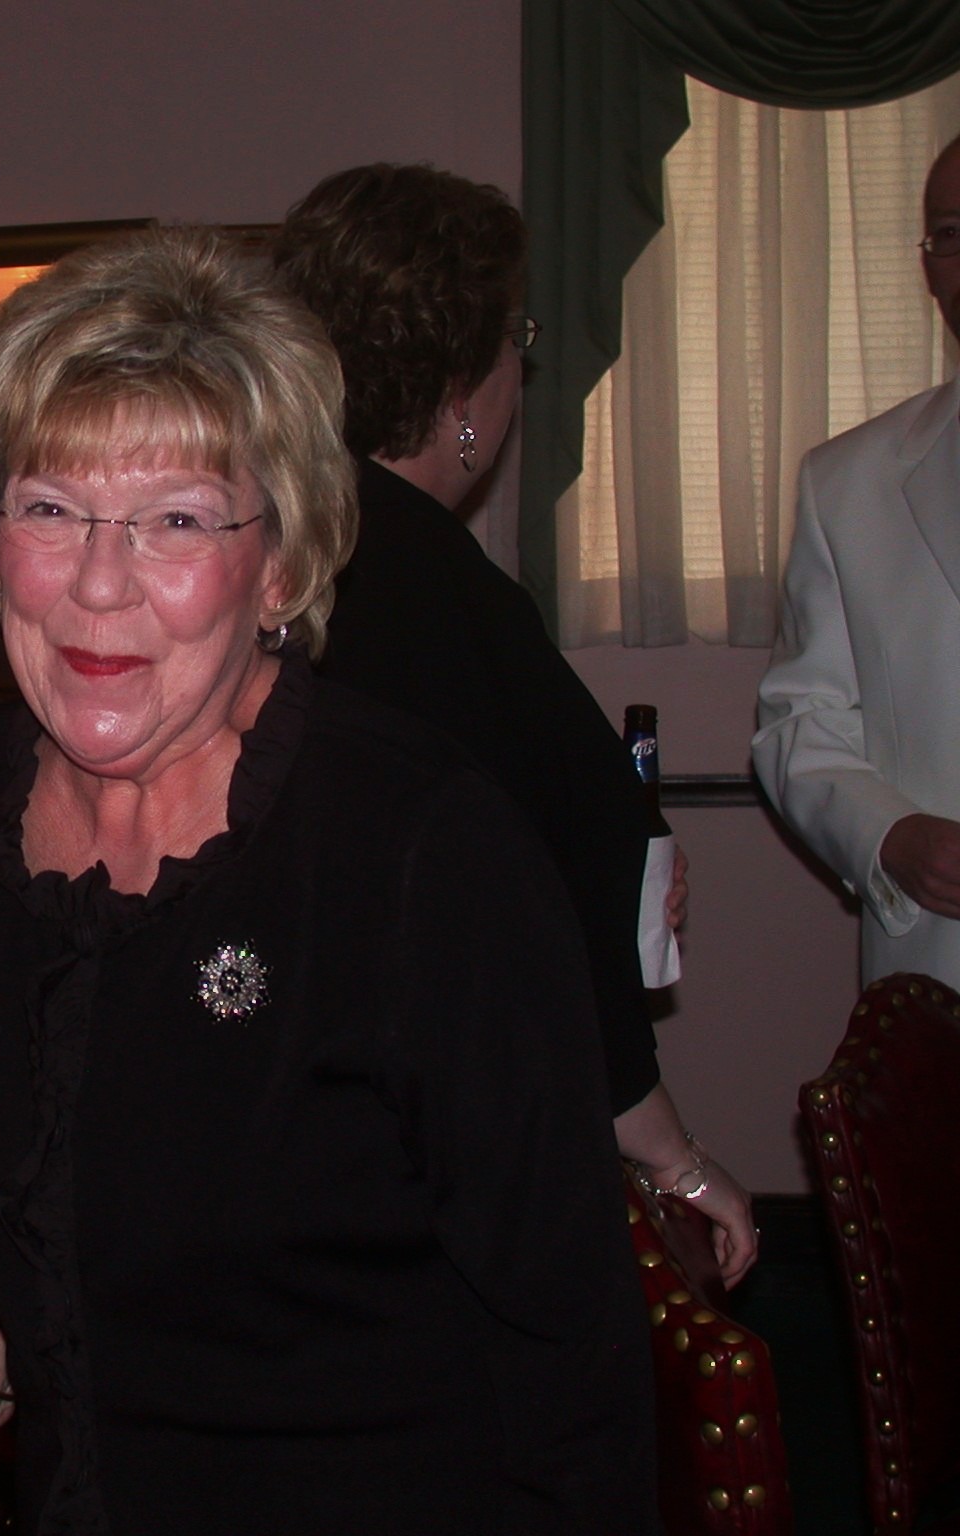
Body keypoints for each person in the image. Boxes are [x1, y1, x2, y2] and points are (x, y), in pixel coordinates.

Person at [0, 228, 652, 1536]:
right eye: (49, 508)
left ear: (279, 564)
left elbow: (572, 1354)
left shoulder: (415, 847)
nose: (99, 584)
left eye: (176, 520)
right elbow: (46, 1143)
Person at [271, 162, 757, 1283]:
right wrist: (674, 1156)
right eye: (515, 341)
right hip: (412, 1144)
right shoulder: (434, 590)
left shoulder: (272, 545)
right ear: (460, 388)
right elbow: (533, 903)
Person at [754, 132, 960, 991]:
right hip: (940, 977)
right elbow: (800, 717)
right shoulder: (849, 482)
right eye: (948, 232)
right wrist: (888, 836)